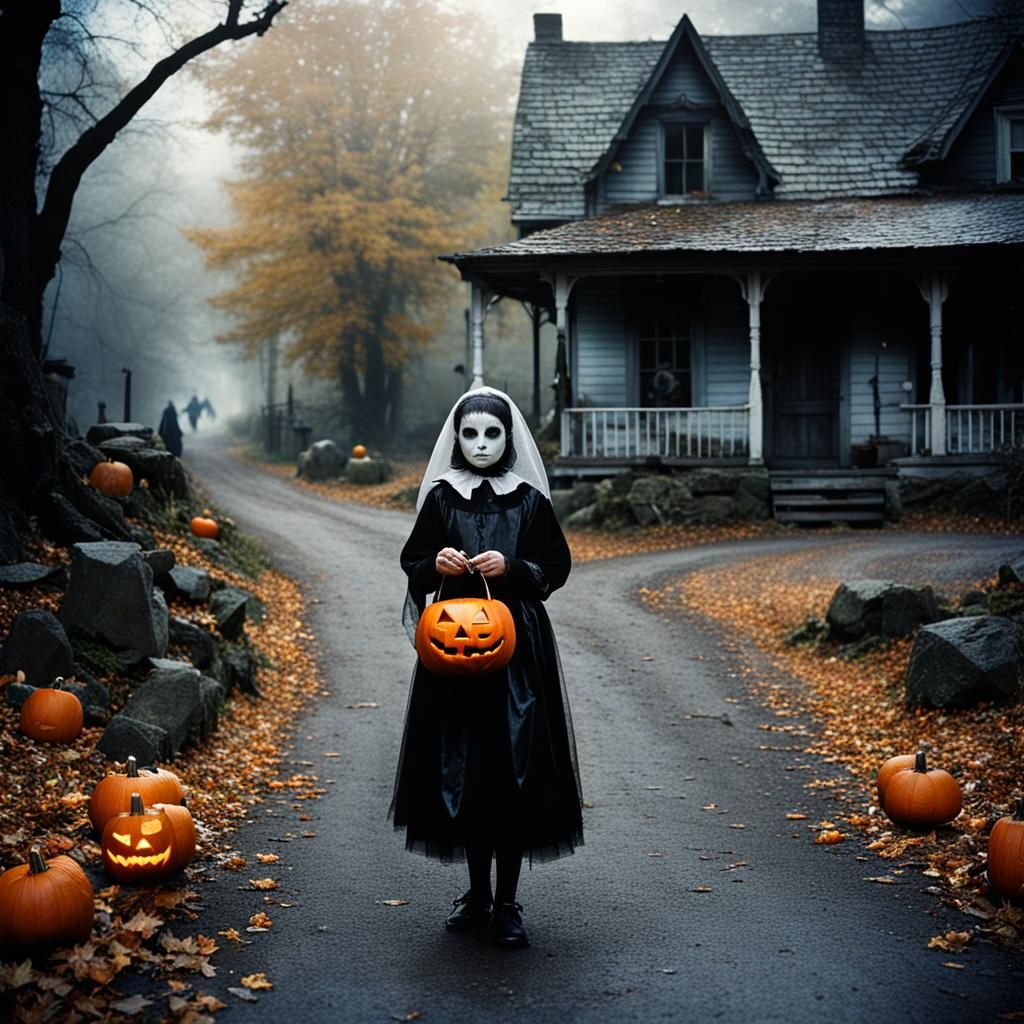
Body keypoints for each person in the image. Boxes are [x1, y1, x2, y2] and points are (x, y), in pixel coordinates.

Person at [390, 386, 583, 948]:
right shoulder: (442, 499)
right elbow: (412, 560)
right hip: (454, 656)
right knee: (466, 769)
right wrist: (436, 562)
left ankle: (507, 903)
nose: (480, 444)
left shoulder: (528, 500)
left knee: (512, 768)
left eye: (491, 433)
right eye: (469, 434)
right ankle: (476, 895)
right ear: (456, 439)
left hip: (517, 652)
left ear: (508, 438)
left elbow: (556, 565)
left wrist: (514, 566)